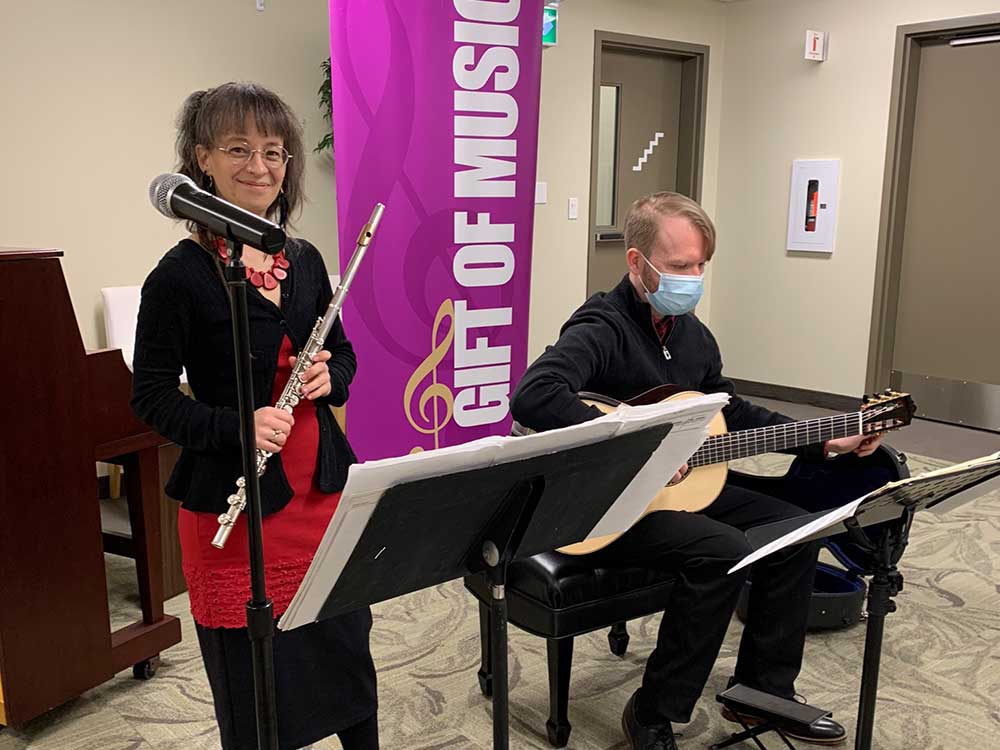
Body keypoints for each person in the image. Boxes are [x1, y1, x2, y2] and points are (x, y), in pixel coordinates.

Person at [510, 192, 881, 750]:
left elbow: (729, 411)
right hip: (607, 504)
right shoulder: (601, 326)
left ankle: (761, 690)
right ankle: (653, 713)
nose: (694, 277)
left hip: (674, 491)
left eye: (701, 264)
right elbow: (535, 394)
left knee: (796, 529)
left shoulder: (692, 337)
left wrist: (825, 438)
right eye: (680, 266)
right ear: (637, 263)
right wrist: (639, 442)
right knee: (722, 550)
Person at [131, 82, 378, 750]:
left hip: (322, 497)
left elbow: (346, 353)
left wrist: (333, 376)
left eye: (274, 151)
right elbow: (149, 398)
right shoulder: (177, 278)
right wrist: (237, 427)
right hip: (234, 515)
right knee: (257, 694)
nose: (261, 166)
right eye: (239, 148)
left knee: (348, 663)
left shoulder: (305, 260)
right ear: (202, 159)